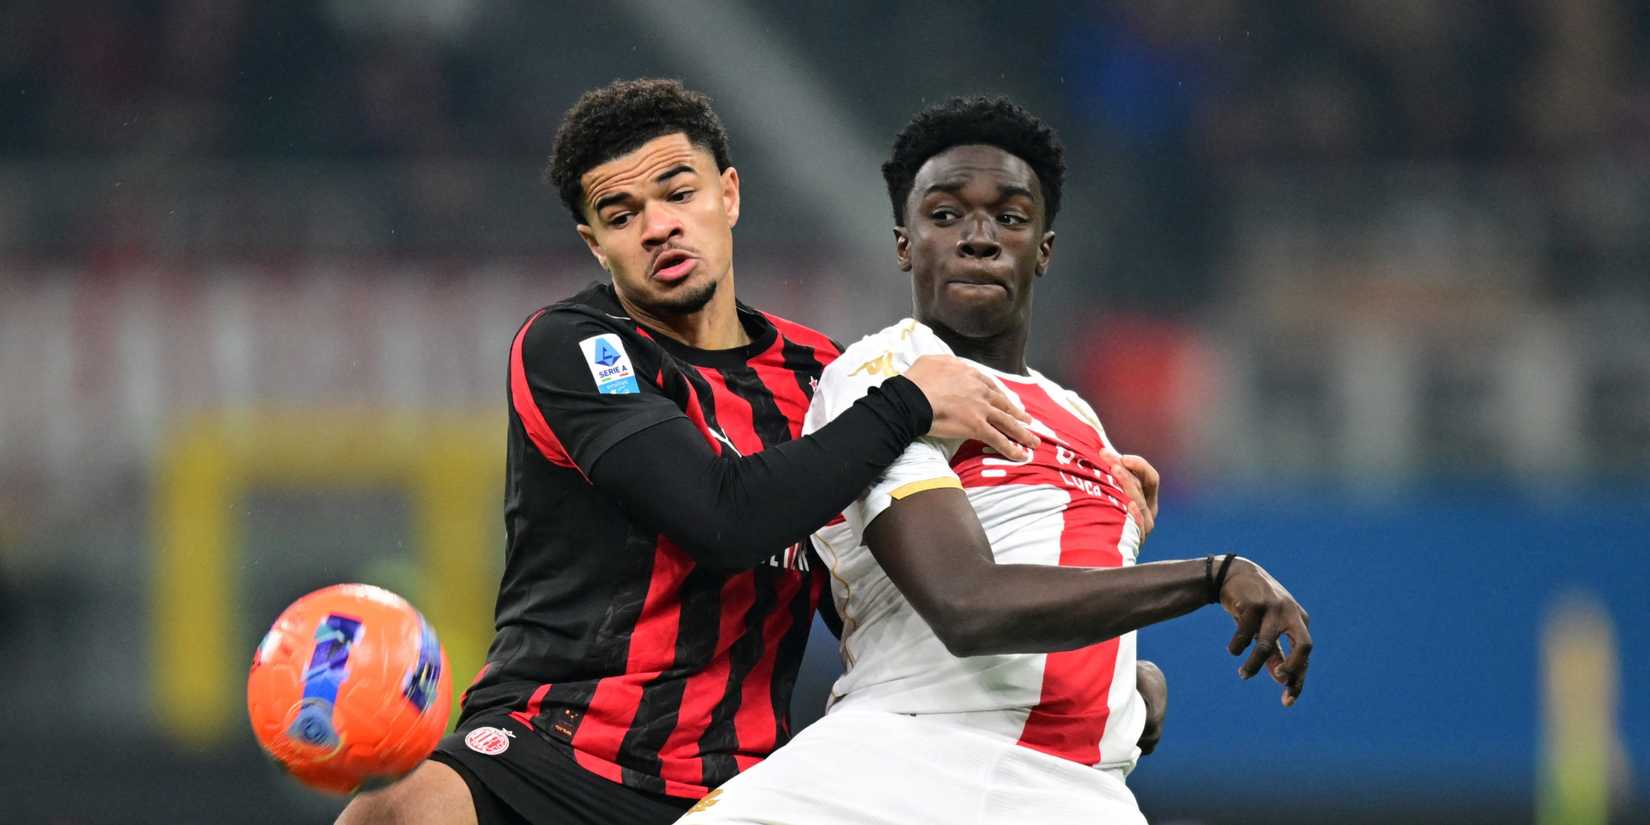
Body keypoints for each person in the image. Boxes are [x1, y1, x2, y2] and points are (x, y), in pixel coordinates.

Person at [335, 79, 1158, 825]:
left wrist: (1101, 589)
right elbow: (722, 518)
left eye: (678, 192)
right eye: (621, 214)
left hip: (743, 782)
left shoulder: (825, 378)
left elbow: (891, 593)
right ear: (595, 244)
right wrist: (908, 403)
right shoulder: (575, 348)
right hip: (558, 747)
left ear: (729, 194)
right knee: (397, 813)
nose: (658, 225)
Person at [678, 96, 1313, 825]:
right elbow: (967, 604)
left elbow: (1056, 587)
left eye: (1010, 217)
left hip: (1077, 792)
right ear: (905, 243)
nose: (978, 238)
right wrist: (1211, 576)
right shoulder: (892, 373)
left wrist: (1124, 683)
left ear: (1043, 248)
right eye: (945, 215)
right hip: (904, 761)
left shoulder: (1082, 421)